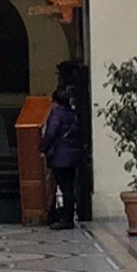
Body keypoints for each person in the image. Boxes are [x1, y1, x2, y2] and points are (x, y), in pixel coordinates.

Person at [40, 72, 87, 227]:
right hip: (72, 156)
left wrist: (43, 148)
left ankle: (66, 219)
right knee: (69, 187)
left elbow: (51, 133)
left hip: (60, 157)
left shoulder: (57, 114)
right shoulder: (73, 114)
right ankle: (68, 216)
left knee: (63, 186)